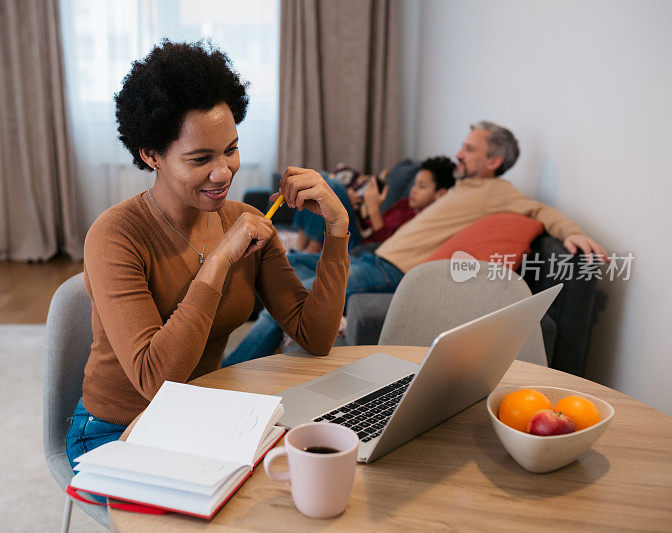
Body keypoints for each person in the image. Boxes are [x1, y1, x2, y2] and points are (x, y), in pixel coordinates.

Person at [65, 40, 351, 472]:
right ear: (151, 154)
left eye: (231, 149)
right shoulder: (115, 235)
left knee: (305, 470)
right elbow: (154, 381)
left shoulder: (248, 220)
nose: (223, 172)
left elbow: (316, 335)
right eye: (200, 158)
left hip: (200, 418)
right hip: (115, 430)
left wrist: (337, 230)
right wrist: (218, 262)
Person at [226, 121, 607, 365]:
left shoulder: (499, 192)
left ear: (494, 161)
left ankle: (230, 373)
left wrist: (571, 232)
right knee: (279, 267)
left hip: (390, 271)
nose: (459, 152)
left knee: (295, 300)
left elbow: (540, 211)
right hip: (373, 255)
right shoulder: (466, 187)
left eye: (470, 149)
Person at [292, 156, 456, 252]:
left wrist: (374, 209)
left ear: (440, 194)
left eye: (422, 187)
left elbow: (385, 247)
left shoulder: (423, 221)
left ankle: (312, 250)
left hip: (362, 248)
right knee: (319, 177)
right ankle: (301, 244)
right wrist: (354, 207)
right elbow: (370, 226)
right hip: (360, 233)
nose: (413, 190)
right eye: (415, 184)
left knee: (332, 187)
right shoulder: (405, 204)